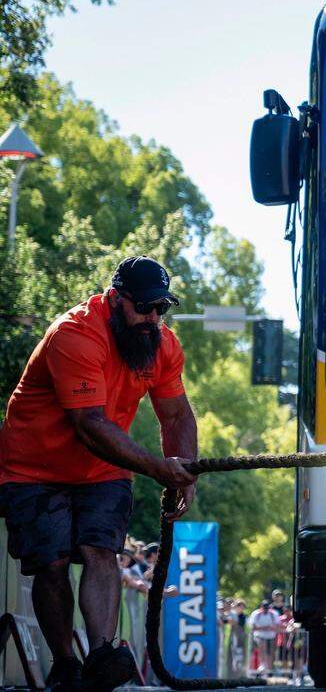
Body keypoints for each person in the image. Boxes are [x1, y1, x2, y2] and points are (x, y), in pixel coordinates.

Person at [0, 256, 198, 691]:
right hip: (35, 465)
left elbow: (177, 416)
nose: (152, 318)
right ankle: (66, 663)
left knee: (100, 551)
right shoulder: (74, 335)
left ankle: (102, 654)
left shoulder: (163, 344)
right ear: (116, 299)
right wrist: (157, 469)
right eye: (143, 307)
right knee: (50, 564)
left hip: (105, 468)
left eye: (160, 308)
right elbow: (90, 425)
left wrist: (187, 474)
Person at [250, 600, 282, 675]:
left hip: (271, 637)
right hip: (260, 636)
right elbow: (253, 627)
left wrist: (269, 628)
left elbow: (277, 626)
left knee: (271, 653)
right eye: (264, 607)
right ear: (261, 607)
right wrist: (266, 628)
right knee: (262, 650)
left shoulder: (274, 614)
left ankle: (269, 669)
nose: (265, 609)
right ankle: (262, 666)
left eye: (267, 608)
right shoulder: (256, 614)